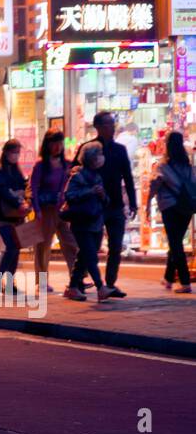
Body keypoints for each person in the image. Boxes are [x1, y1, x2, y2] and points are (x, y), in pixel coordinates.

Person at [92, 112, 136, 299]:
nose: (112, 127)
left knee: (116, 245)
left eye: (113, 123)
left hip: (116, 203)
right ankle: (76, 281)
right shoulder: (91, 148)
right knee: (91, 245)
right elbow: (76, 173)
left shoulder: (119, 149)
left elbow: (127, 175)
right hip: (95, 205)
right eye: (108, 124)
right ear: (99, 127)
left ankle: (110, 283)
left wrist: (133, 201)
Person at [29, 130, 79, 291]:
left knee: (71, 244)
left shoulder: (67, 164)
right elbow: (33, 189)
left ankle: (76, 278)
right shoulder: (41, 166)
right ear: (47, 145)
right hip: (45, 210)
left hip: (64, 210)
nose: (57, 147)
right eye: (54, 143)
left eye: (60, 143)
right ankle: (41, 282)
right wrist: (36, 210)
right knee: (43, 247)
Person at [62, 141, 110, 303]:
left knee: (85, 255)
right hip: (81, 221)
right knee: (90, 256)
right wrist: (90, 191)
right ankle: (100, 287)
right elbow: (69, 195)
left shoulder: (97, 176)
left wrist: (103, 196)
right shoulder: (77, 176)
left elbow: (105, 201)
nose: (101, 158)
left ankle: (73, 287)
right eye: (98, 155)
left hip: (96, 221)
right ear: (91, 158)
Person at [152, 131, 196, 294]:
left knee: (175, 243)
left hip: (170, 206)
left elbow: (155, 183)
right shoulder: (188, 164)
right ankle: (168, 278)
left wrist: (149, 199)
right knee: (175, 241)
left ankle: (184, 281)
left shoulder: (163, 165)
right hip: (187, 206)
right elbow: (193, 182)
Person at [0, 139, 29, 295]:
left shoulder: (17, 170)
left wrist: (26, 198)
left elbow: (24, 186)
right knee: (12, 246)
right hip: (2, 215)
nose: (16, 155)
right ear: (6, 152)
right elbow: (3, 191)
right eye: (14, 152)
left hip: (16, 215)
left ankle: (10, 281)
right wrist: (17, 200)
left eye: (18, 152)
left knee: (16, 248)